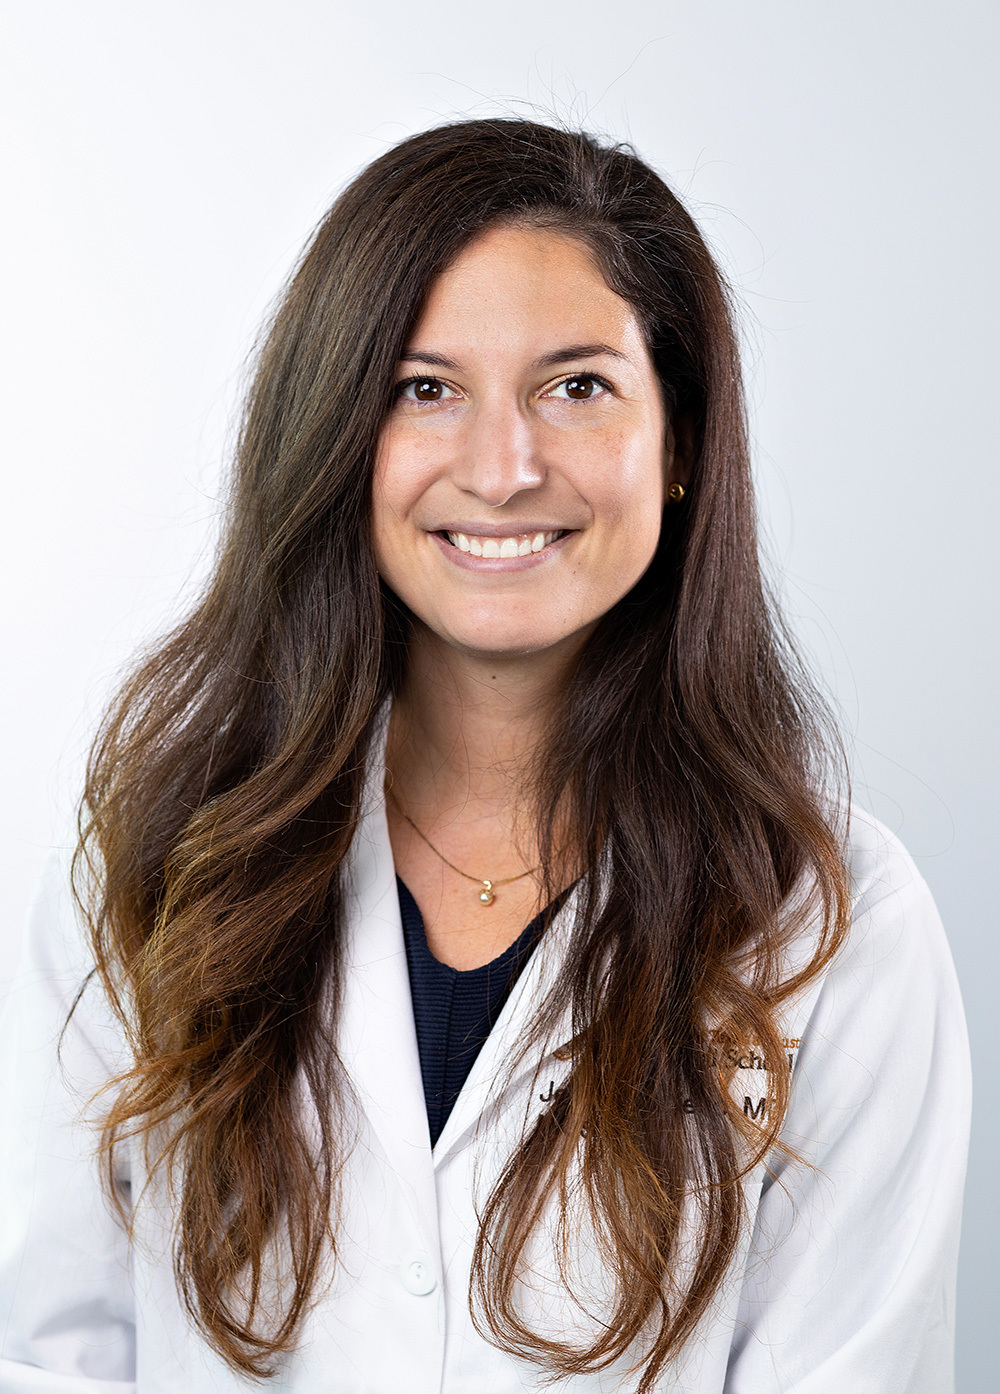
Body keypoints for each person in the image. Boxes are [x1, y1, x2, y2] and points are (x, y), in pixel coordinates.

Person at [0, 118, 971, 1393]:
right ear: (337, 434)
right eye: (424, 388)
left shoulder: (830, 922)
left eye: (576, 386)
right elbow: (45, 1350)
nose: (503, 468)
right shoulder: (155, 868)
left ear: (676, 443)